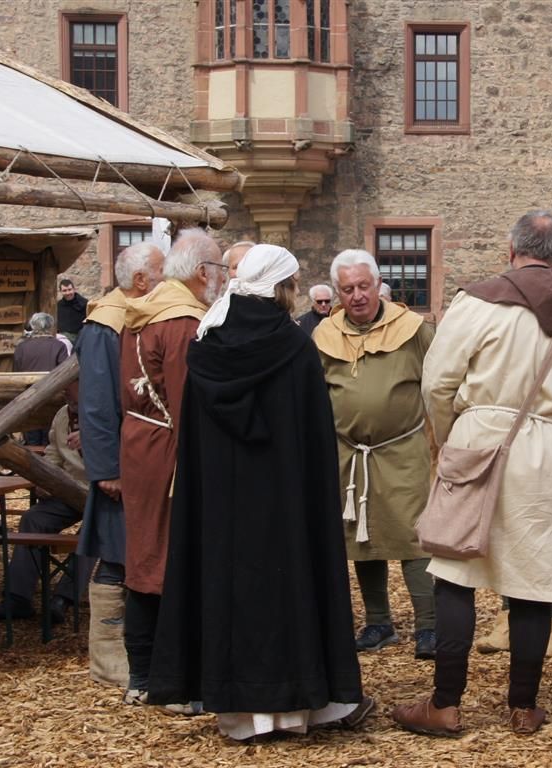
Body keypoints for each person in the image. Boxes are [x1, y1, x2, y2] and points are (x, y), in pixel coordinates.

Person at [149, 244, 372, 741]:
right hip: (285, 504)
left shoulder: (206, 345)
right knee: (287, 588)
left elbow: (196, 437)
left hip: (222, 506)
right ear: (281, 288)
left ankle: (238, 714)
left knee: (229, 589)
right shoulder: (293, 347)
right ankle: (293, 708)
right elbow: (313, 437)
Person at [391, 210, 552, 737]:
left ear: (511, 250)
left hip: (480, 437)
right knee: (531, 581)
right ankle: (523, 707)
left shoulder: (479, 300)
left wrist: (449, 438)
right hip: (549, 450)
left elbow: (437, 381)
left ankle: (445, 704)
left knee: (455, 571)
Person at [118, 227, 227, 704]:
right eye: (220, 268)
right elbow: (188, 403)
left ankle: (142, 676)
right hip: (169, 450)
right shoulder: (182, 321)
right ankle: (167, 678)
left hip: (141, 445)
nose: (223, 278)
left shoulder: (142, 311)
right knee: (168, 561)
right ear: (203, 272)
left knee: (146, 555)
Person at [313, 249, 437, 660]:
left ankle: (429, 626)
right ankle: (379, 622)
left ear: (379, 284)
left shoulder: (412, 329)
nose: (357, 296)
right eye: (348, 289)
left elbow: (441, 379)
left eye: (364, 286)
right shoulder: (325, 335)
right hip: (349, 452)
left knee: (414, 535)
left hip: (402, 450)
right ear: (338, 292)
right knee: (360, 534)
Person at [75, 240, 165, 688]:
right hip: (120, 464)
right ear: (141, 280)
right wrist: (107, 468)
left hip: (140, 459)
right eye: (162, 273)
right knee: (116, 553)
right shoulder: (106, 323)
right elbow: (95, 403)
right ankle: (109, 658)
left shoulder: (139, 317)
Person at [0, 394, 94, 624]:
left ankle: (63, 599)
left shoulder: (108, 411)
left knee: (94, 530)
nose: (66, 393)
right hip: (69, 491)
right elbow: (53, 453)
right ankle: (17, 598)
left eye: (70, 388)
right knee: (34, 519)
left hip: (105, 494)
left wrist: (94, 439)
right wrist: (46, 480)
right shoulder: (62, 415)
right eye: (63, 389)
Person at [13, 312, 69, 446]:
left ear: (33, 326)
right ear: (51, 326)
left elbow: (15, 373)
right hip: (52, 397)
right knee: (50, 440)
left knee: (31, 440)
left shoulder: (22, 347)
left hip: (28, 398)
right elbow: (65, 373)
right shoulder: (59, 346)